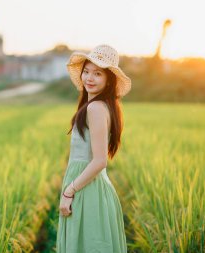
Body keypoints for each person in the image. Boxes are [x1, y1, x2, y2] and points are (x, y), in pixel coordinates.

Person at [56, 44, 131, 253]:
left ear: (109, 79)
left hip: (87, 190)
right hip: (88, 187)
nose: (90, 78)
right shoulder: (98, 106)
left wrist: (70, 191)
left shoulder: (96, 108)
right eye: (87, 72)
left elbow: (100, 161)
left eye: (97, 73)